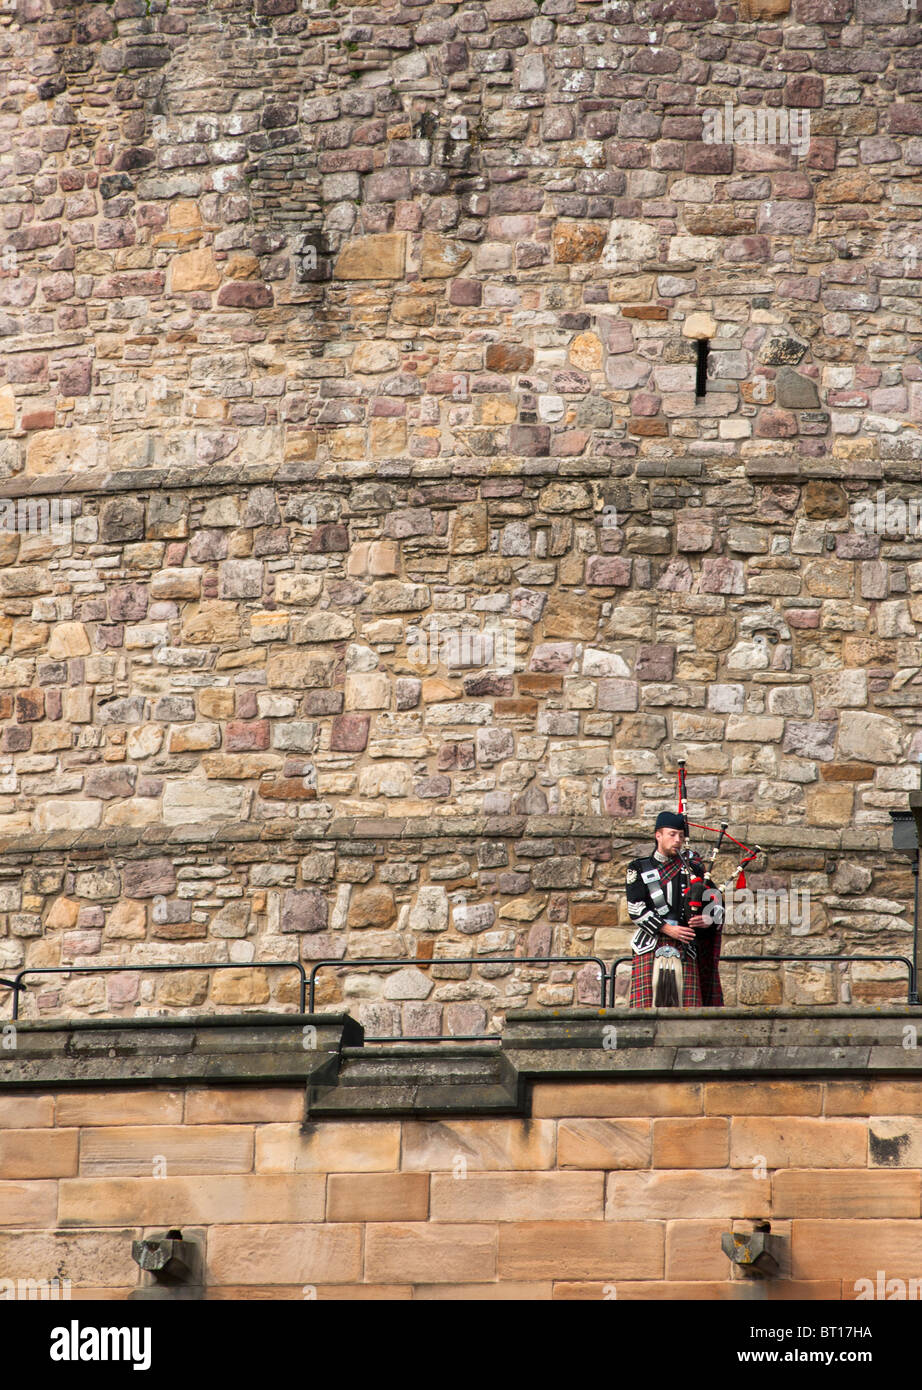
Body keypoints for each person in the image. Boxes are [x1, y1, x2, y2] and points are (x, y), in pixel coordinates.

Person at [626, 810, 724, 1008]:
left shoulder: (694, 869)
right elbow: (636, 908)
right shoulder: (638, 868)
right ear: (658, 835)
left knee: (689, 1014)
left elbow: (717, 904)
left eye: (681, 835)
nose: (677, 840)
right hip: (650, 945)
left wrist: (707, 920)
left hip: (686, 946)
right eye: (672, 834)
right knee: (644, 1013)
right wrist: (668, 929)